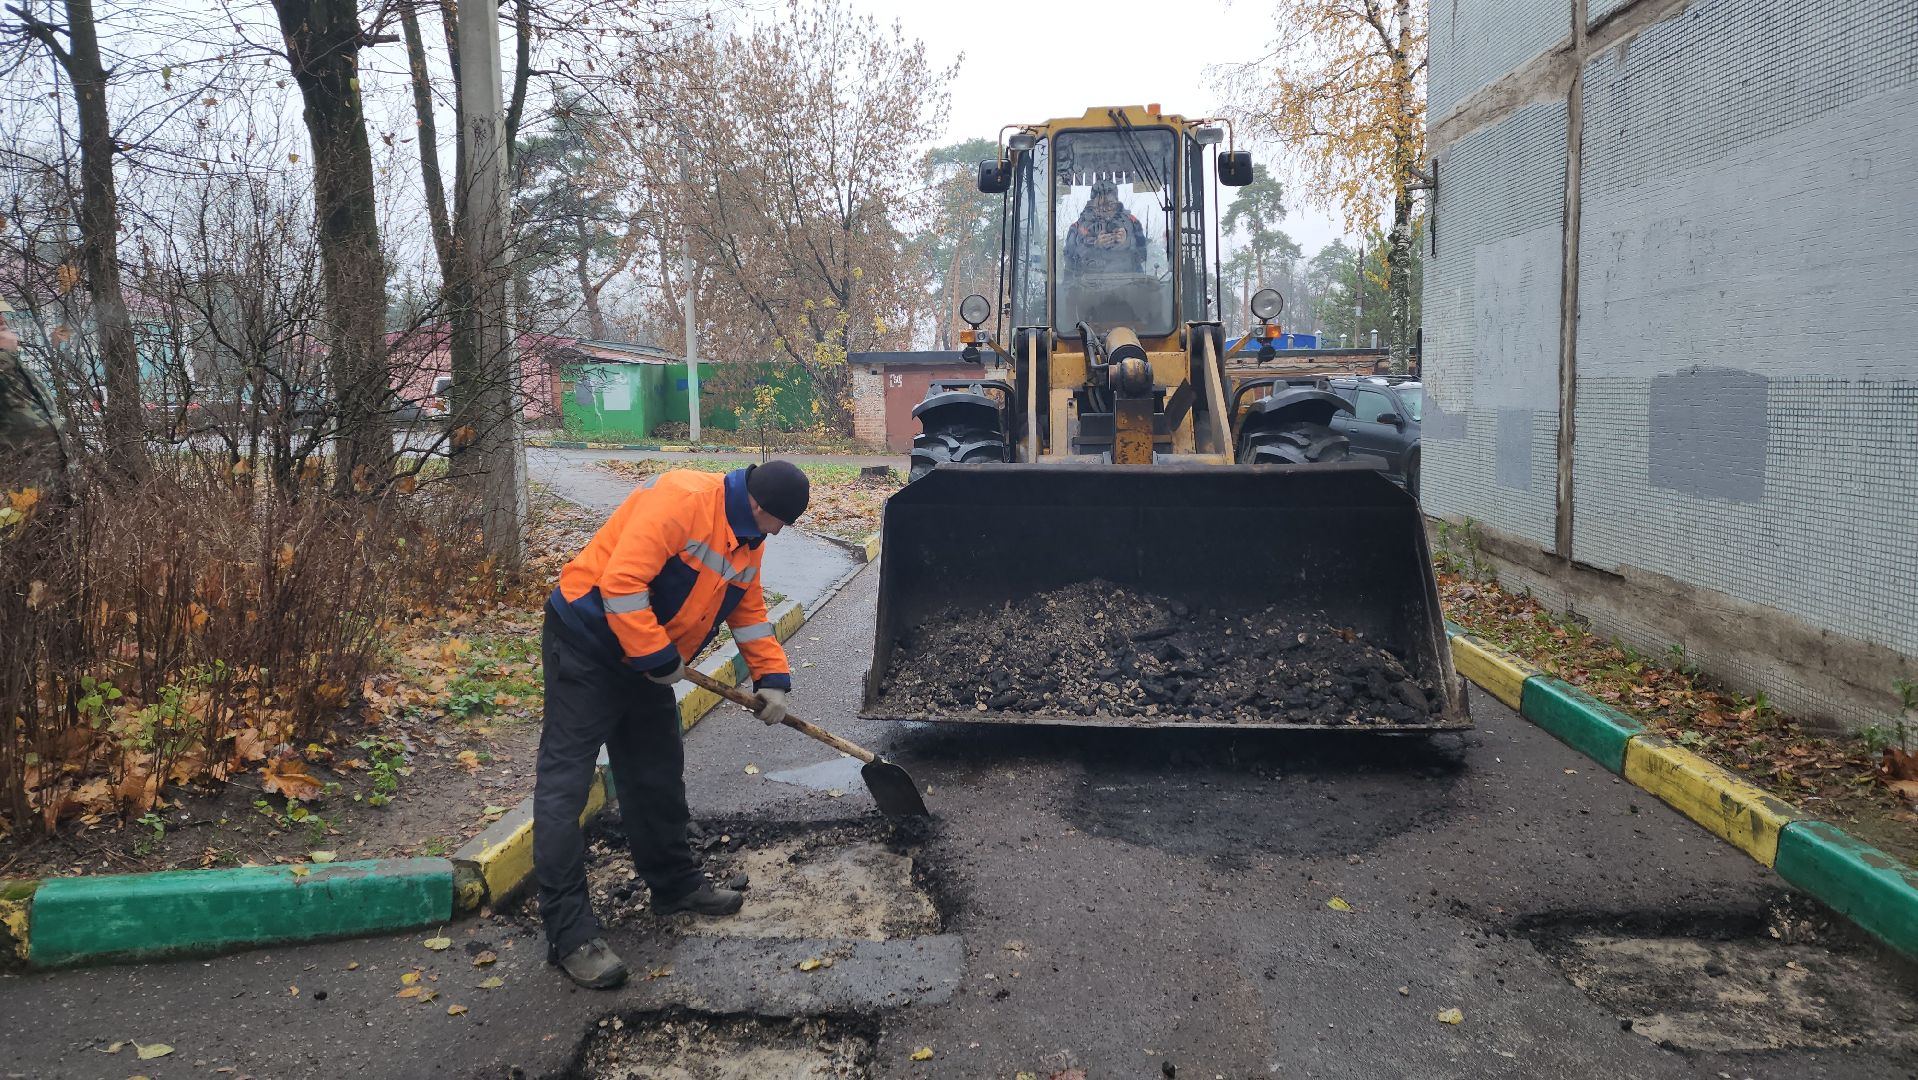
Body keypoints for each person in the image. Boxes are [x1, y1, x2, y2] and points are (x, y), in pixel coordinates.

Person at [534, 459, 809, 989]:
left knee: (656, 771)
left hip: (648, 658)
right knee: (564, 787)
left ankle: (675, 885)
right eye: (781, 522)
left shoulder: (748, 538)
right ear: (760, 506)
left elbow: (747, 609)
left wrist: (772, 675)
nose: (779, 533)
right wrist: (657, 655)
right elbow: (622, 583)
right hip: (586, 646)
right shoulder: (681, 500)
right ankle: (569, 935)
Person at [0, 299, 65, 484]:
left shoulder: (11, 364)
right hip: (13, 496)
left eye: (1, 314)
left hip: (49, 490)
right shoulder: (6, 361)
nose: (2, 320)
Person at [1064, 179, 1147, 272]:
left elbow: (1143, 255)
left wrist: (1127, 241)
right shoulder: (1077, 227)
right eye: (1100, 205)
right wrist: (1095, 245)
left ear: (1116, 202)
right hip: (1087, 285)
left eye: (1110, 204)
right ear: (1092, 203)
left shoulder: (1132, 223)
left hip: (1130, 283)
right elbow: (1070, 260)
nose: (1105, 209)